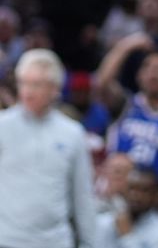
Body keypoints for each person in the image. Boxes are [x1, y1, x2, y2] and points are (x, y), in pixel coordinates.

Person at [0, 49, 96, 248]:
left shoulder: (73, 133)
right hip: (7, 240)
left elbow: (83, 196)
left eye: (36, 84)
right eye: (23, 82)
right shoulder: (2, 126)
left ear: (55, 89)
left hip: (55, 241)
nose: (27, 91)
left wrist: (90, 242)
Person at [99, 33, 158, 206]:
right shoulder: (125, 105)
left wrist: (155, 203)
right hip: (114, 195)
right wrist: (125, 46)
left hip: (152, 199)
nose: (153, 74)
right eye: (148, 68)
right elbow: (102, 83)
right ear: (139, 76)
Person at [95, 168, 158, 248]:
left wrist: (127, 238)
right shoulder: (104, 223)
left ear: (156, 196)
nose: (135, 195)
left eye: (144, 190)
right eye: (131, 188)